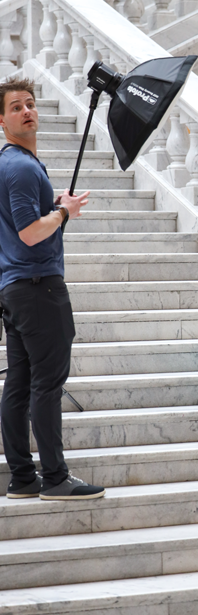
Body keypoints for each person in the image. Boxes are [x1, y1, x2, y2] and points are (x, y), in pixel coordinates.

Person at [0, 77, 105, 500]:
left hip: (17, 288)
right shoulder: (22, 167)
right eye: (15, 107)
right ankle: (56, 478)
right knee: (46, 383)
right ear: (2, 119)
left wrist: (55, 208)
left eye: (30, 104)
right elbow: (28, 233)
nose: (27, 111)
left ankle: (23, 478)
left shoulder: (13, 163)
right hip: (38, 288)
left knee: (21, 383)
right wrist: (62, 212)